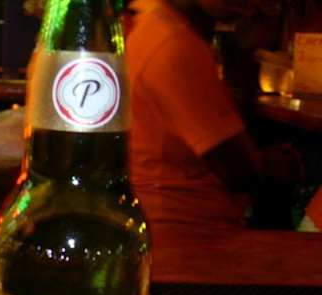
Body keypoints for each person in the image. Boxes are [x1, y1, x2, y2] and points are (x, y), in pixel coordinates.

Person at [126, 0, 303, 241]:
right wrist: (275, 164)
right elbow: (241, 173)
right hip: (187, 236)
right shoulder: (172, 43)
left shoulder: (158, 27)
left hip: (173, 227)